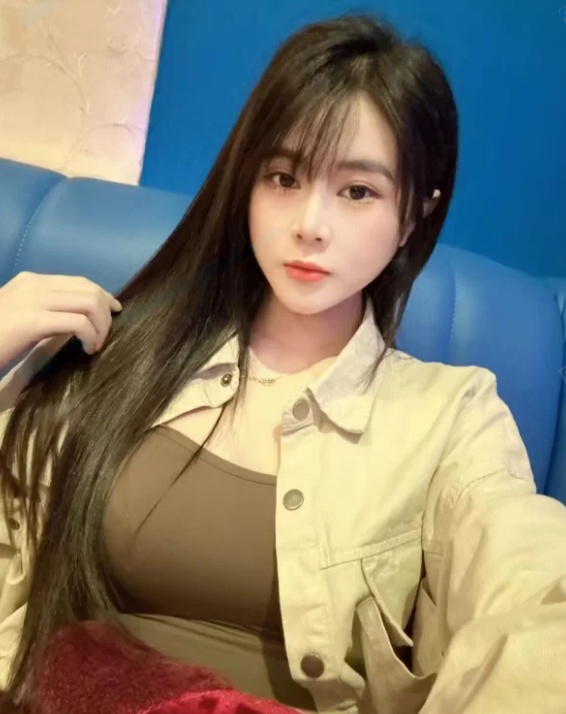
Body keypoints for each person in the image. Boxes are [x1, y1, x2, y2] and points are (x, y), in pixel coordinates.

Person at [0, 11, 565, 714]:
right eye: (284, 177)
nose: (310, 225)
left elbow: (531, 591)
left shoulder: (451, 417)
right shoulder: (122, 353)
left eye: (357, 191)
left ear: (414, 215)